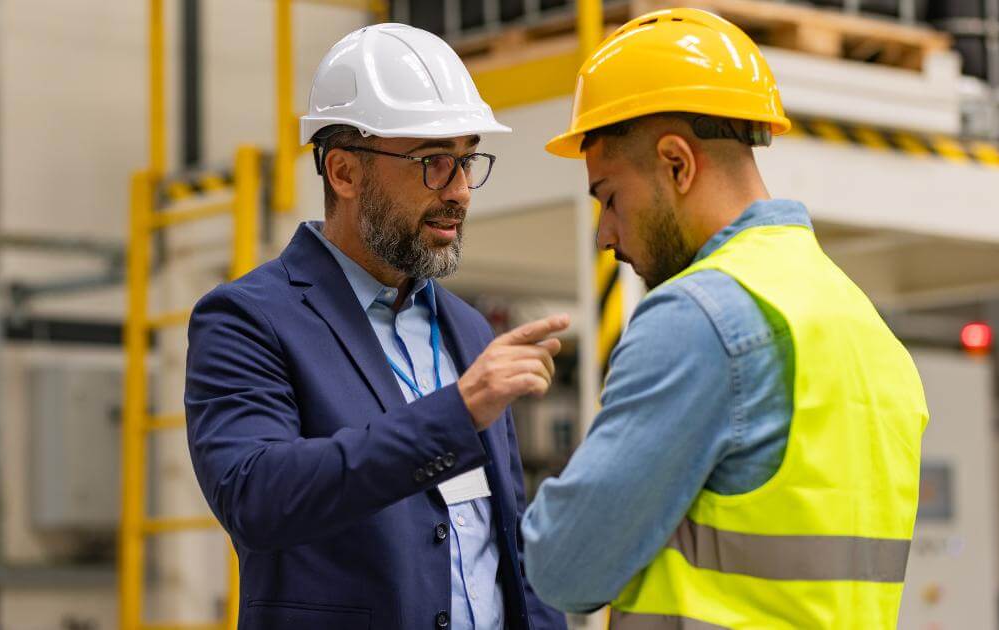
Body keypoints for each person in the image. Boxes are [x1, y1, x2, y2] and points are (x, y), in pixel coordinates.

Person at [520, 9, 929, 629]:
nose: (605, 233)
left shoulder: (701, 316)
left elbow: (564, 566)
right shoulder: (860, 323)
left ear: (677, 164)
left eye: (609, 196)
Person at [185, 23, 569, 630]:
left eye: (468, 160)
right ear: (343, 172)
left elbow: (505, 544)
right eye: (435, 163)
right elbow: (256, 496)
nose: (461, 192)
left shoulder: (466, 329)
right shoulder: (248, 319)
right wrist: (455, 413)